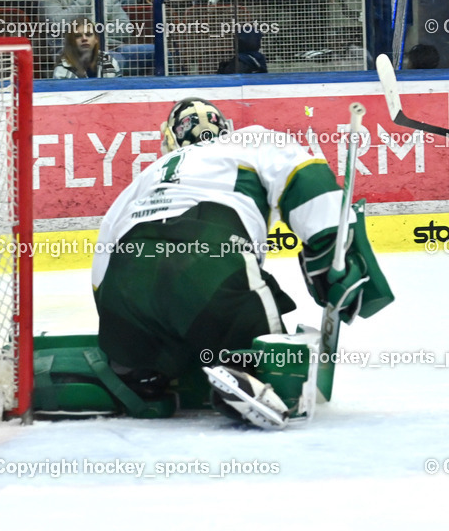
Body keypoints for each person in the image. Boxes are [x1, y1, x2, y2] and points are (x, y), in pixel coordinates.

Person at [90, 99, 392, 427]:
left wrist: (118, 326)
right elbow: (307, 178)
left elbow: (102, 262)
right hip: (208, 258)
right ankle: (251, 371)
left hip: (125, 278)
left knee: (146, 341)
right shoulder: (251, 139)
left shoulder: (146, 177)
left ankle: (141, 372)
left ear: (170, 138)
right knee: (256, 340)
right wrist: (330, 245)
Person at [53, 17, 122, 78]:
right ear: (71, 41)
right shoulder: (61, 70)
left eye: (88, 35)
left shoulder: (110, 62)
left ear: (96, 39)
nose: (84, 38)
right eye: (78, 36)